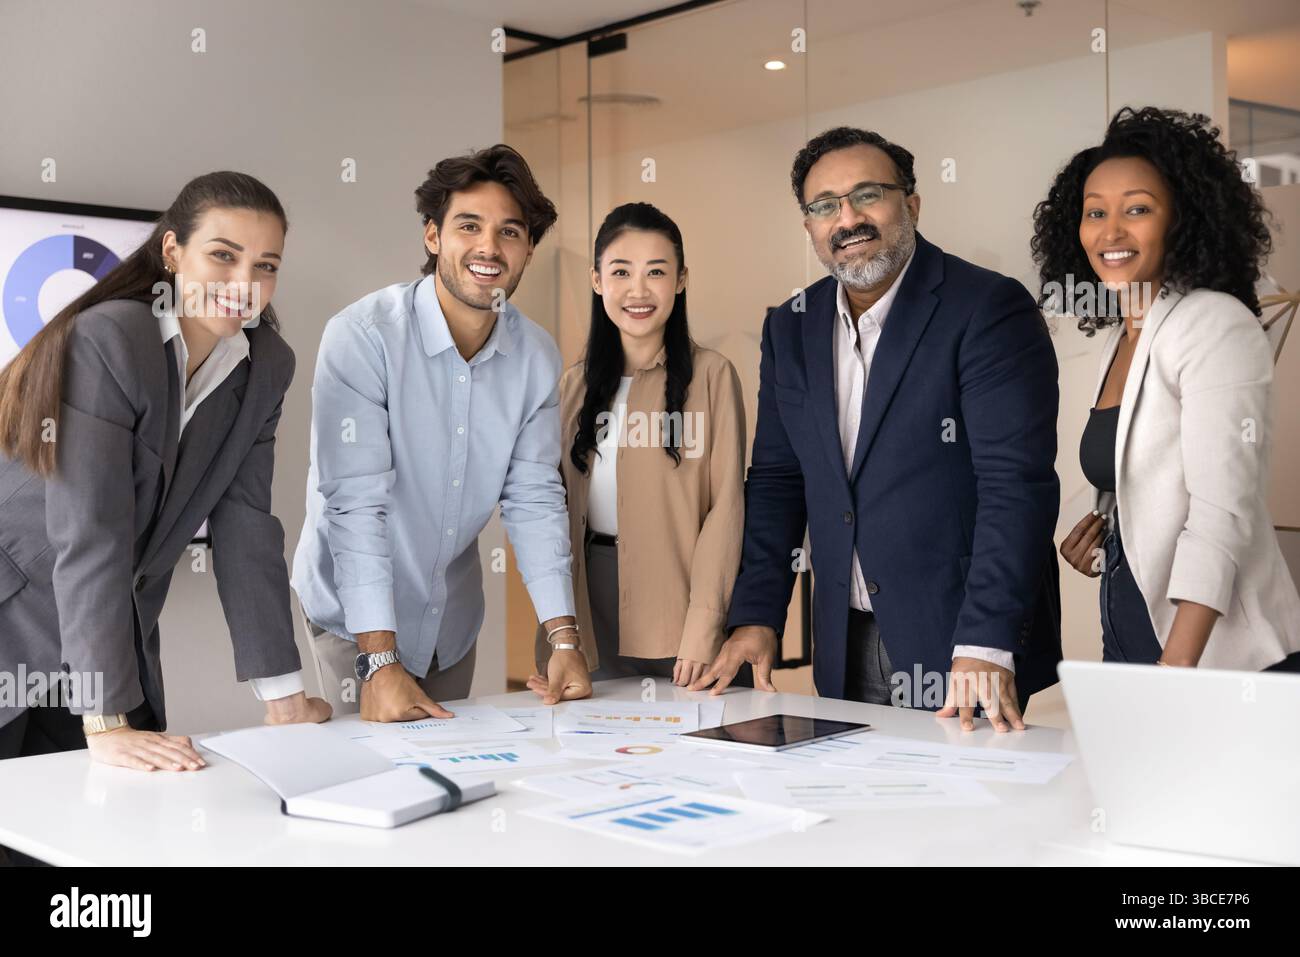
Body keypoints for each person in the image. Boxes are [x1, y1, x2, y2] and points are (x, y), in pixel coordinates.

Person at [692, 127, 1062, 732]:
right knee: (858, 813)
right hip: (844, 632)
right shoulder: (791, 327)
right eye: (825, 206)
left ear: (911, 206)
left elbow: (1015, 484)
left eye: (868, 195)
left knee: (965, 817)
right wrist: (757, 616)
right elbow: (780, 482)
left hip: (959, 638)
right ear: (809, 226)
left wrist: (987, 640)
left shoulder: (987, 307)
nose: (848, 218)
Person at [0, 171, 329, 774]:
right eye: (223, 256)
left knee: (110, 828)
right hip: (14, 613)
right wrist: (102, 720)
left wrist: (284, 698)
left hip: (108, 630)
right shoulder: (111, 338)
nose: (245, 284)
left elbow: (246, 527)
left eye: (266, 265)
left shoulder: (265, 366)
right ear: (172, 250)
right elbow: (91, 526)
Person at [293, 144, 591, 719]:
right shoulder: (364, 337)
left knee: (451, 786)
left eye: (510, 232)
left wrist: (564, 640)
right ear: (432, 237)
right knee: (371, 783)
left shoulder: (535, 356)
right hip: (352, 620)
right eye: (469, 226)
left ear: (529, 247)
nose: (489, 247)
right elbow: (355, 507)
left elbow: (533, 499)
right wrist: (379, 661)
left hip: (450, 626)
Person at [1037, 106, 1300, 671]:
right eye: (1094, 212)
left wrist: (1173, 675)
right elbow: (1148, 464)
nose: (1111, 232)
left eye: (1138, 209)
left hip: (1215, 662)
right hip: (1131, 640)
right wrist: (1109, 523)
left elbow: (1220, 515)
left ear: (1182, 219)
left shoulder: (1214, 322)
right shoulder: (1121, 335)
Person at [532, 202, 747, 690]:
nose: (638, 290)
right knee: (596, 757)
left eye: (656, 272)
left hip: (683, 611)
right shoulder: (572, 386)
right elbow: (549, 510)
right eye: (621, 272)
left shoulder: (712, 376)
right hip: (590, 610)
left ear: (681, 279)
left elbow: (726, 508)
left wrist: (704, 625)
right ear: (596, 280)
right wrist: (559, 636)